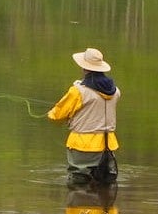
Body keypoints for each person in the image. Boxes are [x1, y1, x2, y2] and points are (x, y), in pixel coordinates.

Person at [47, 46, 119, 186]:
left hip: (82, 145)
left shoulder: (77, 91)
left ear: (84, 68)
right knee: (105, 181)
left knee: (78, 183)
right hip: (108, 144)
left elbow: (57, 115)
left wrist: (51, 113)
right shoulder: (115, 91)